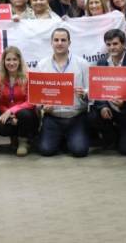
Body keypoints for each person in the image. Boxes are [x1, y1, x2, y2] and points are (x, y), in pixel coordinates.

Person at [36, 28, 90, 157]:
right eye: (56, 40)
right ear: (51, 43)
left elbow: (91, 91)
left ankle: (69, 139)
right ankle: (62, 139)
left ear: (69, 43)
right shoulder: (42, 65)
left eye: (63, 40)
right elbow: (38, 96)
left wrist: (84, 93)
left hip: (76, 117)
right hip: (52, 117)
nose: (59, 43)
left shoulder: (82, 64)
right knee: (46, 151)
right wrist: (43, 107)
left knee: (80, 151)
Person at [0, 46, 37, 156]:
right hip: (9, 114)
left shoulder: (28, 77)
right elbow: (0, 103)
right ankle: (14, 137)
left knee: (24, 114)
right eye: (8, 60)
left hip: (27, 115)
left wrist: (11, 112)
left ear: (19, 61)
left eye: (14, 59)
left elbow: (31, 102)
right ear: (3, 61)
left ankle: (23, 142)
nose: (11, 63)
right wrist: (9, 115)